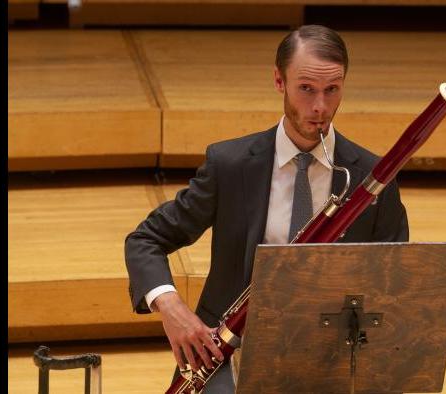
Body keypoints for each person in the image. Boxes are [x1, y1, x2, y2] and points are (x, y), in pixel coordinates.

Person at [125, 24, 409, 393]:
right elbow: (145, 240)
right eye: (306, 89)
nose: (319, 107)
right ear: (279, 81)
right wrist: (173, 310)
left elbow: (397, 284)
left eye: (332, 90)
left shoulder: (373, 179)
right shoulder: (230, 165)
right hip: (233, 345)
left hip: (331, 352)